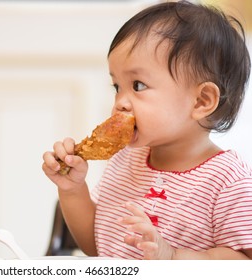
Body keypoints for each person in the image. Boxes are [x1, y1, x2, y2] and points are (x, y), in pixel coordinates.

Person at [42, 0, 252, 259]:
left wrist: (173, 257)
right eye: (117, 87)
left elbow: (243, 263)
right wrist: (72, 189)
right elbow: (96, 247)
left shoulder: (227, 180)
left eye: (138, 85)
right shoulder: (126, 160)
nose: (120, 102)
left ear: (201, 101)